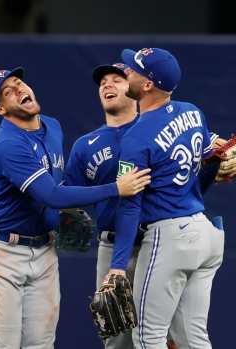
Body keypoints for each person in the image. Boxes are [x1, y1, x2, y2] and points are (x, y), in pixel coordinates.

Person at [0, 67, 151, 349]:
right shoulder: (7, 145)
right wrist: (116, 189)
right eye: (8, 91)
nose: (19, 89)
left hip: (45, 250)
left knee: (41, 345)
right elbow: (52, 195)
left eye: (19, 83)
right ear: (1, 109)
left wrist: (68, 214)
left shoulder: (52, 126)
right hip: (3, 253)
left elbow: (59, 186)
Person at [64, 62, 225, 349]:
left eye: (119, 78)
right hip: (115, 244)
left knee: (164, 337)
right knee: (119, 342)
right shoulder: (85, 145)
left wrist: (215, 163)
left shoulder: (151, 131)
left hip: (161, 242)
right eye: (103, 81)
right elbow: (70, 199)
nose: (108, 84)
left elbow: (188, 183)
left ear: (138, 88)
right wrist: (67, 213)